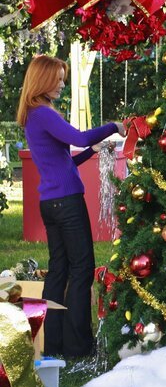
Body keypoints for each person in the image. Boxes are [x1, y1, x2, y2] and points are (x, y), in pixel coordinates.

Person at [15, 55, 125, 358]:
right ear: (44, 80)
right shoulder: (43, 113)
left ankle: (53, 343)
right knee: (81, 270)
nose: (63, 84)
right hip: (66, 203)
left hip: (51, 203)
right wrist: (113, 126)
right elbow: (78, 137)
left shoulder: (34, 114)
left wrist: (93, 149)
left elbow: (63, 161)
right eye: (59, 79)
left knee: (58, 271)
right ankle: (78, 346)